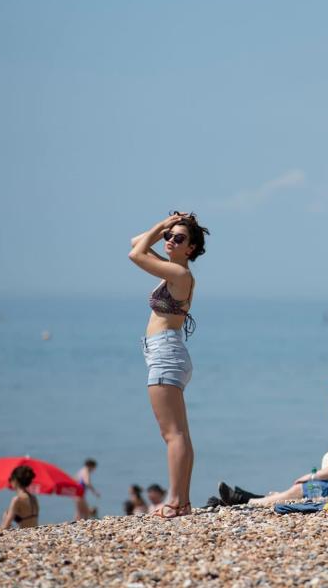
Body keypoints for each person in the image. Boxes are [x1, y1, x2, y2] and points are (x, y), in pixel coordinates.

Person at [128, 211, 209, 518]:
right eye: (168, 237)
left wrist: (162, 225)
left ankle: (175, 501)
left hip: (165, 353)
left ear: (191, 248)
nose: (170, 241)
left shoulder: (180, 275)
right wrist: (166, 225)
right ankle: (182, 502)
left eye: (179, 238)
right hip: (167, 352)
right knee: (178, 434)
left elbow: (134, 252)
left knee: (173, 435)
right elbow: (138, 242)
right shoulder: (171, 270)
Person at [0, 466, 39, 531]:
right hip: (33, 531)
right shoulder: (33, 498)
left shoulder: (17, 499)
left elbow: (5, 527)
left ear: (15, 481)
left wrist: (5, 517)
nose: (10, 482)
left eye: (10, 479)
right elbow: (28, 519)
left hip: (25, 533)